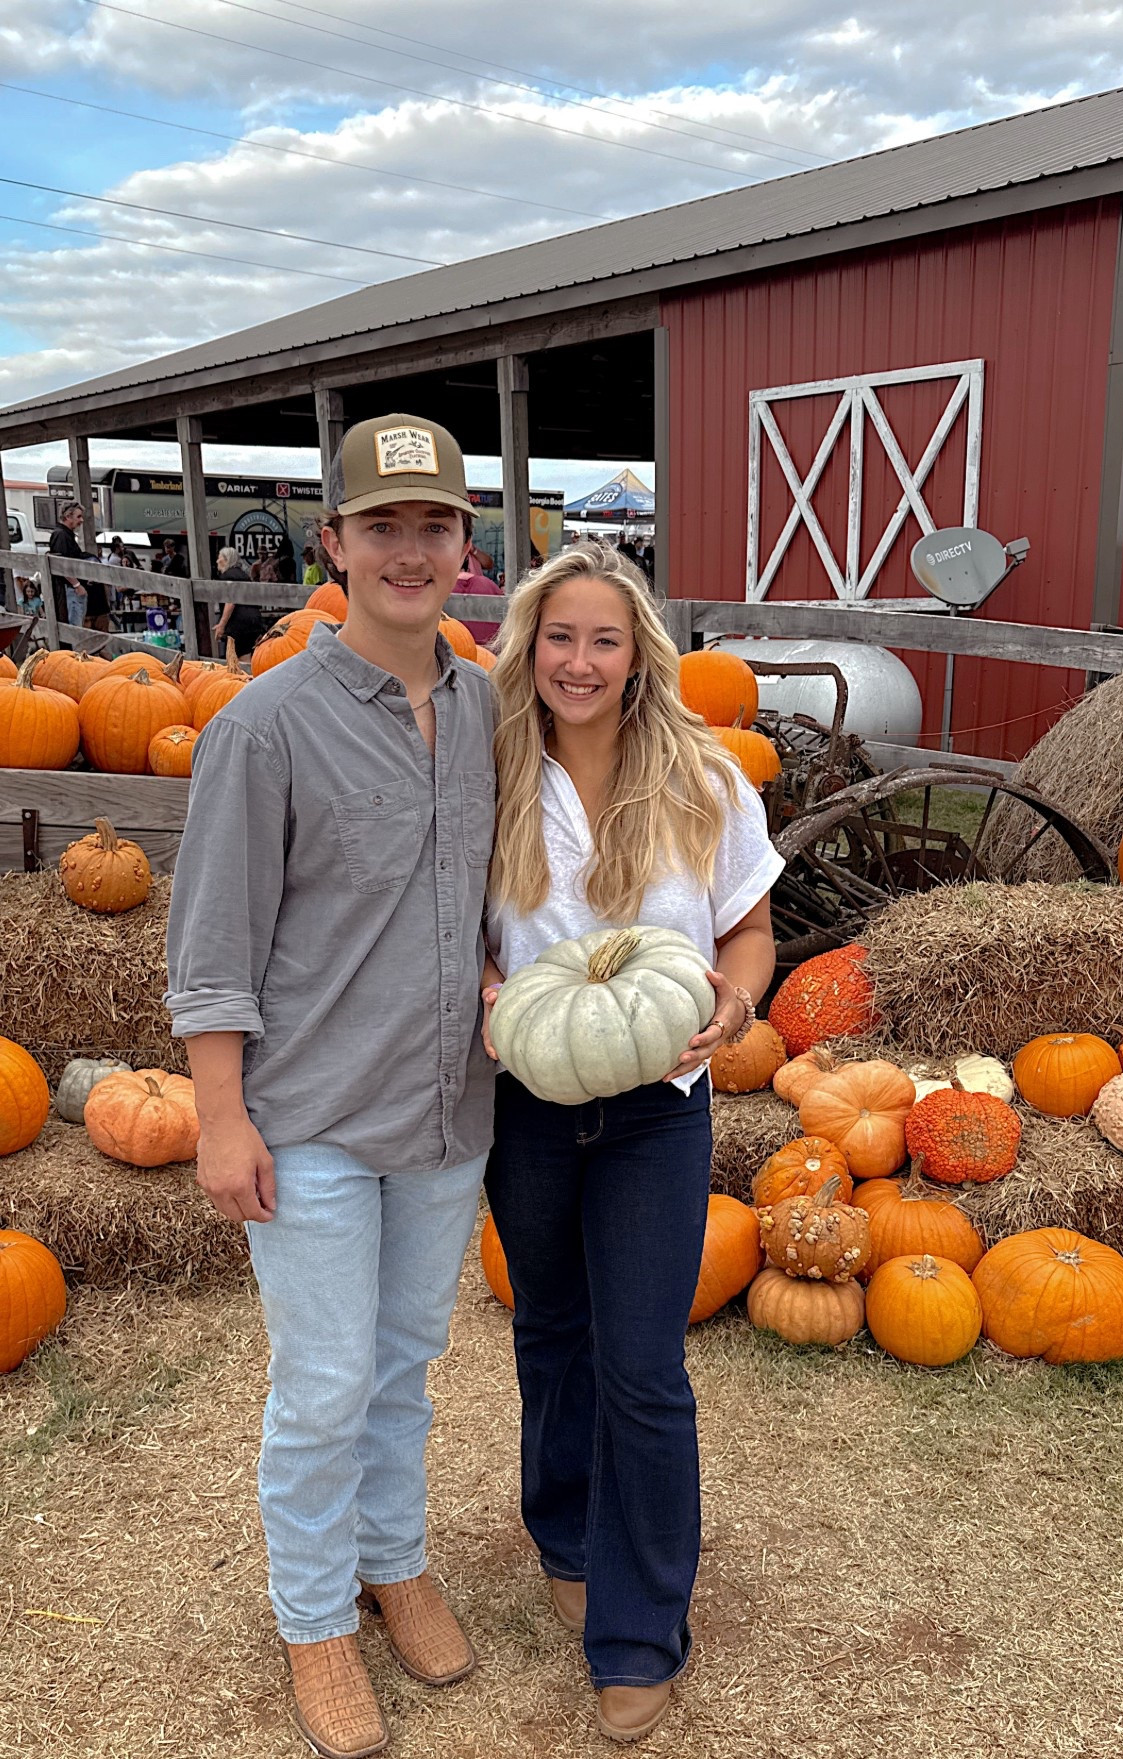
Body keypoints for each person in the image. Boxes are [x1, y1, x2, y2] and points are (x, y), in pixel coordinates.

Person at [165, 412, 495, 1759]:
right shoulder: (267, 726)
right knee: (322, 1376)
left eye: (433, 525)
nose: (408, 551)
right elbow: (214, 941)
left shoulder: (492, 707)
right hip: (307, 1117)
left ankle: (390, 1554)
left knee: (407, 1362)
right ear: (335, 542)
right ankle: (312, 1616)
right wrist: (220, 1114)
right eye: (381, 526)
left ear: (468, 544)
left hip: (444, 1109)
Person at [481, 542, 782, 1745]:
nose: (581, 661)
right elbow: (461, 931)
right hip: (528, 1100)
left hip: (662, 1102)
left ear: (639, 652)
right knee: (551, 1330)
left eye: (606, 639)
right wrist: (493, 990)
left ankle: (642, 1626)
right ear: (529, 647)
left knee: (644, 1368)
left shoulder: (704, 776)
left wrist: (738, 1003)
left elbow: (751, 930)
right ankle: (563, 1528)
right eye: (561, 638)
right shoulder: (492, 770)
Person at [211, 546, 264, 658]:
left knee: (236, 657)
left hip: (239, 623)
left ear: (226, 559)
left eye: (219, 558)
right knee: (248, 655)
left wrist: (222, 624)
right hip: (254, 620)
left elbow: (230, 601)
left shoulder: (227, 577)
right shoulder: (244, 575)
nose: (217, 561)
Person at [47, 501, 88, 626]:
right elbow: (62, 564)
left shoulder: (64, 535)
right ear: (68, 516)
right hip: (69, 589)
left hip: (71, 588)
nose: (81, 520)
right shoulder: (61, 535)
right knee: (74, 625)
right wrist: (76, 585)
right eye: (78, 516)